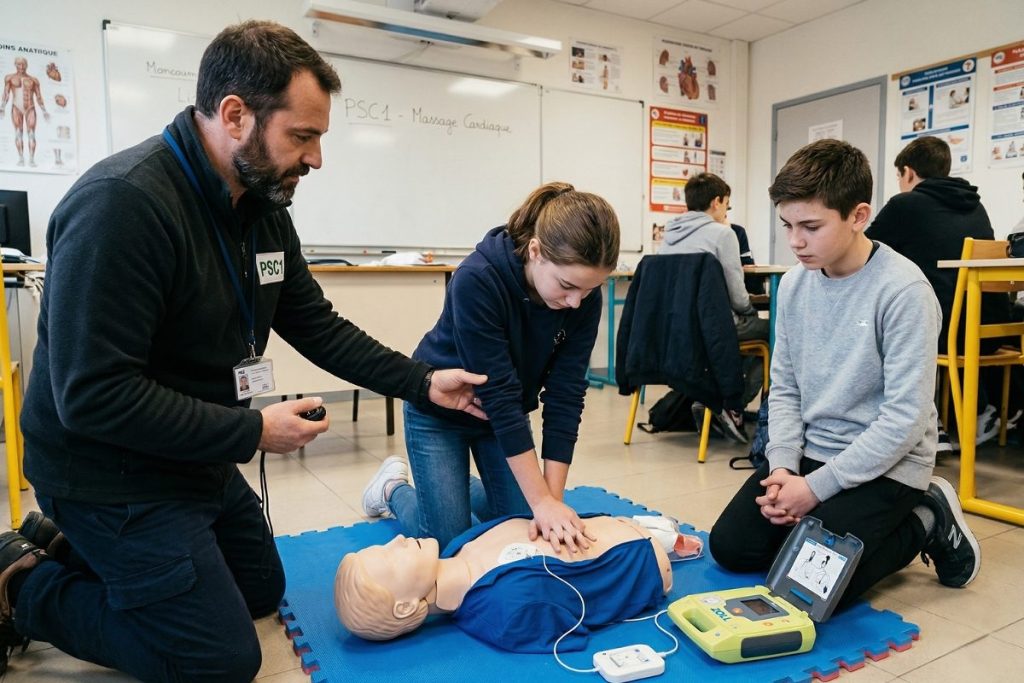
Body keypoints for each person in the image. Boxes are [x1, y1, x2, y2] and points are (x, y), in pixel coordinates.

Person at [0, 21, 487, 683]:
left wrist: (423, 382)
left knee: (261, 589)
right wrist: (253, 428)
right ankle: (24, 583)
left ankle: (72, 552)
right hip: (105, 472)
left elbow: (316, 325)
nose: (316, 159)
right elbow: (93, 398)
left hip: (186, 454)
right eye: (303, 136)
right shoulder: (122, 207)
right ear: (235, 115)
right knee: (217, 659)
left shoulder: (260, 207)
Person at [710, 139, 981, 615]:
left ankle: (926, 518)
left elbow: (904, 421)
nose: (795, 241)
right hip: (813, 454)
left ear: (858, 216)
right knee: (731, 549)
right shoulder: (793, 285)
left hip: (888, 464)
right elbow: (787, 390)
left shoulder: (904, 291)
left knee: (805, 590)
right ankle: (821, 526)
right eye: (788, 225)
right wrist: (782, 470)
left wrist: (814, 490)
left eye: (810, 227)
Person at [362, 182, 620, 553]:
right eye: (567, 286)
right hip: (440, 413)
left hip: (504, 420)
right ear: (535, 251)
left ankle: (452, 487)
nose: (577, 302)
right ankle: (392, 489)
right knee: (450, 543)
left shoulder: (581, 297)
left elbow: (566, 395)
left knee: (528, 524)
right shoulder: (478, 278)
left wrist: (551, 501)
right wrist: (542, 502)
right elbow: (498, 394)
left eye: (589, 290)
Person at [334, 514, 699, 652]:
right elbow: (577, 624)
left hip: (619, 523)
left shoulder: (459, 546)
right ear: (406, 606)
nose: (398, 541)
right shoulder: (508, 611)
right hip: (646, 558)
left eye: (384, 543)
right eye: (390, 557)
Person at [865, 136, 1017, 449]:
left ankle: (924, 423)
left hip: (944, 332)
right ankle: (969, 416)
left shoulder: (905, 204)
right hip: (988, 331)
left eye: (898, 177)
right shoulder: (976, 205)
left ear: (907, 172)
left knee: (880, 324)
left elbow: (862, 251)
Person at [658, 172, 769, 440]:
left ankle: (714, 397)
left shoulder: (668, 235)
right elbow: (737, 295)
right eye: (727, 205)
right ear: (717, 202)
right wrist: (752, 311)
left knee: (748, 335)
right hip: (715, 327)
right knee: (775, 332)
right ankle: (731, 405)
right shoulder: (723, 234)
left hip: (678, 329)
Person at [0, 57, 50, 167]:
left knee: (31, 134)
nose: (21, 67)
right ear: (15, 65)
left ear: (26, 65)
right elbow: (6, 93)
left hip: (30, 107)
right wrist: (2, 107)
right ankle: (21, 158)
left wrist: (44, 110)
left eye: (23, 64)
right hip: (16, 107)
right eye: (19, 64)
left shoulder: (33, 80)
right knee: (18, 133)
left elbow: (38, 96)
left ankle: (31, 159)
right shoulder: (10, 78)